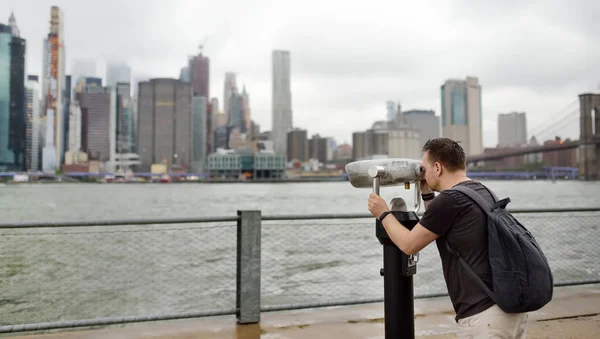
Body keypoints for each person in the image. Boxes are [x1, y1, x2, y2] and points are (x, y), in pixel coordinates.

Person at [367, 138, 528, 338]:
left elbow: (409, 245)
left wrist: (383, 213)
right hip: (508, 308)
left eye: (424, 167)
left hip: (484, 315)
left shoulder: (450, 200)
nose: (422, 173)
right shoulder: (481, 192)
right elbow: (439, 224)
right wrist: (426, 195)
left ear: (437, 167)